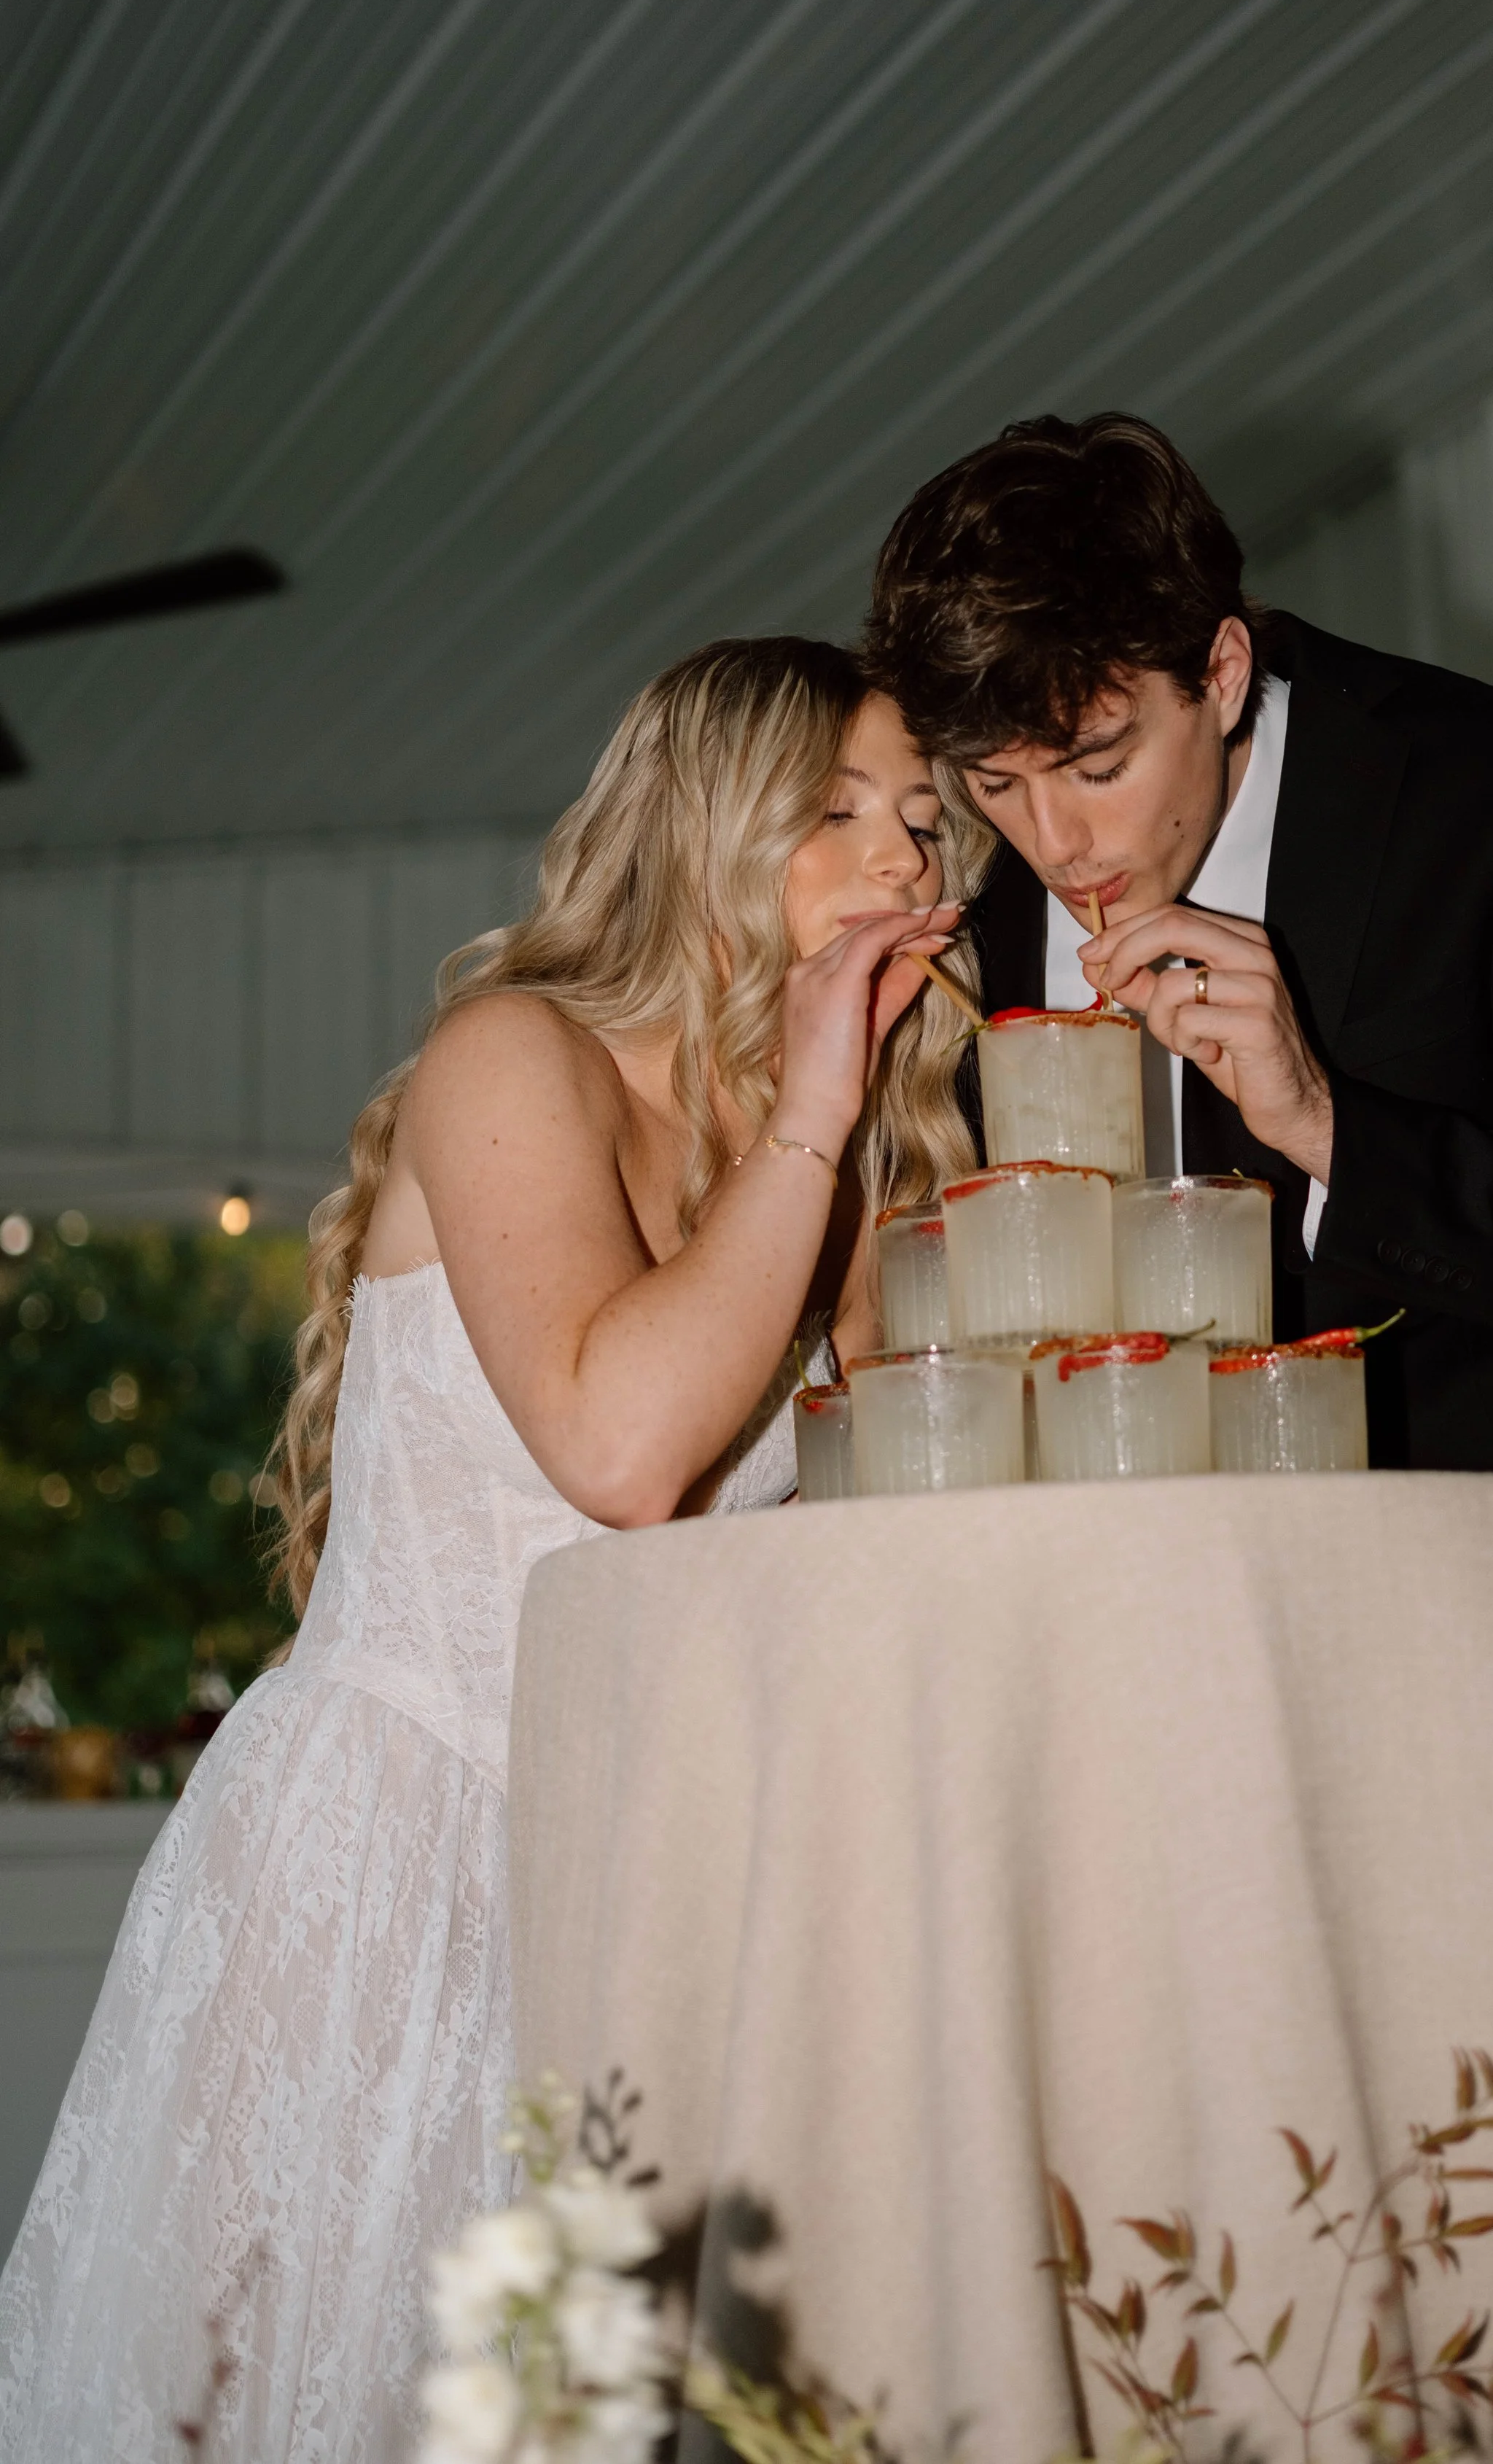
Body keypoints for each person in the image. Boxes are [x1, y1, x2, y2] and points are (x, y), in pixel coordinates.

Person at [0, 638, 983, 2463]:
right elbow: (620, 1448)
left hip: (632, 1885)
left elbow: (908, 1529)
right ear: (703, 826)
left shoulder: (838, 1170)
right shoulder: (511, 1056)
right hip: (389, 1856)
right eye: (837, 813)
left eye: (924, 824)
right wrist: (816, 1114)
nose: (905, 864)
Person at [862, 412, 1493, 1485]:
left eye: (1098, 765)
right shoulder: (954, 895)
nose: (1053, 846)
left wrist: (1334, 1128)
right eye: (995, 784)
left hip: (1467, 1587)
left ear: (1222, 671)